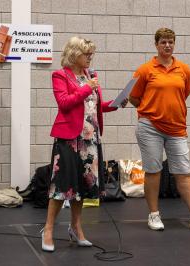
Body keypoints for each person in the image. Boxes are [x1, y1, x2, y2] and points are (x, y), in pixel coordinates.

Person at [42, 36, 126, 252]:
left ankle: (76, 227)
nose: (90, 57)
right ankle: (49, 229)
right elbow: (64, 103)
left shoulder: (90, 76)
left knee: (82, 185)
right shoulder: (60, 75)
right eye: (86, 54)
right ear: (73, 54)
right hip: (69, 139)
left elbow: (94, 106)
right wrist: (87, 87)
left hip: (90, 139)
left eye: (91, 54)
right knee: (62, 186)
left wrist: (115, 104)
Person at [129, 28, 190, 232]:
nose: (167, 45)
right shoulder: (145, 70)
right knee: (153, 171)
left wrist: (168, 109)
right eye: (163, 42)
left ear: (174, 44)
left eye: (170, 42)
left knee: (183, 172)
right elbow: (133, 97)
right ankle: (154, 215)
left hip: (176, 127)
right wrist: (152, 110)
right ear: (156, 45)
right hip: (150, 127)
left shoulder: (184, 69)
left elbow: (182, 94)